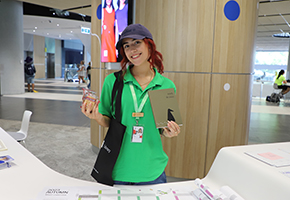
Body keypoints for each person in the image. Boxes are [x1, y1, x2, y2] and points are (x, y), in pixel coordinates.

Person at [82, 24, 181, 185]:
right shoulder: (113, 82)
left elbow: (162, 128)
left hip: (152, 170)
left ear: (149, 44)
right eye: (126, 46)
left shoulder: (165, 85)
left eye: (136, 42)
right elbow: (107, 120)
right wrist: (97, 116)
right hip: (118, 169)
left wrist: (169, 132)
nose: (132, 49)